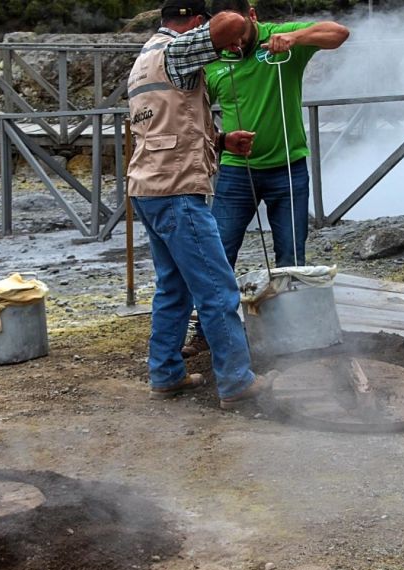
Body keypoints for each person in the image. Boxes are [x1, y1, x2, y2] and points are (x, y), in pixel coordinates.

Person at [126, 0, 275, 409]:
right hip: (177, 191)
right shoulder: (176, 50)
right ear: (194, 21)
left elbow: (168, 122)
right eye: (203, 26)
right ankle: (236, 382)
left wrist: (223, 141)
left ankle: (166, 373)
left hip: (149, 188)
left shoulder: (145, 57)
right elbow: (227, 24)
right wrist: (246, 24)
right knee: (216, 287)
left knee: (173, 289)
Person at [181, 0, 349, 358]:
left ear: (253, 16)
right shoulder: (211, 59)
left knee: (291, 253)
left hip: (289, 168)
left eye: (238, 35)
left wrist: (295, 37)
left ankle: (294, 335)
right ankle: (207, 332)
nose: (233, 45)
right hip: (236, 172)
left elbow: (339, 33)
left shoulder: (280, 39)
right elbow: (193, 120)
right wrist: (223, 139)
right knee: (218, 253)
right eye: (225, 38)